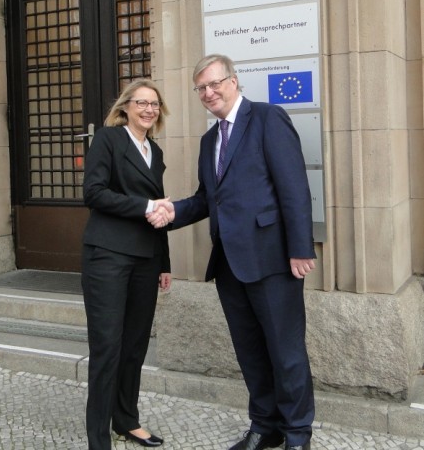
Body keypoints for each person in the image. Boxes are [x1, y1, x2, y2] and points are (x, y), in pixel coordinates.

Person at [148, 55, 315, 450]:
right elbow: (209, 199)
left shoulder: (267, 118)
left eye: (214, 84)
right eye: (201, 88)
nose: (209, 93)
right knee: (250, 353)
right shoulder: (209, 141)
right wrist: (174, 212)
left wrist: (300, 248)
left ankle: (297, 434)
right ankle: (264, 426)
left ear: (234, 81)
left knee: (286, 352)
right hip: (228, 264)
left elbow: (293, 187)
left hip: (273, 260)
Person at [82, 79, 172, 450]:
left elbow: (159, 209)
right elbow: (94, 193)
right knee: (108, 347)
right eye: (142, 103)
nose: (149, 109)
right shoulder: (109, 139)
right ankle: (98, 438)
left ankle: (127, 420)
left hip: (146, 259)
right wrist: (146, 207)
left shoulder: (156, 151)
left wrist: (164, 262)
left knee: (135, 346)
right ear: (126, 107)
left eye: (154, 104)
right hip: (107, 255)